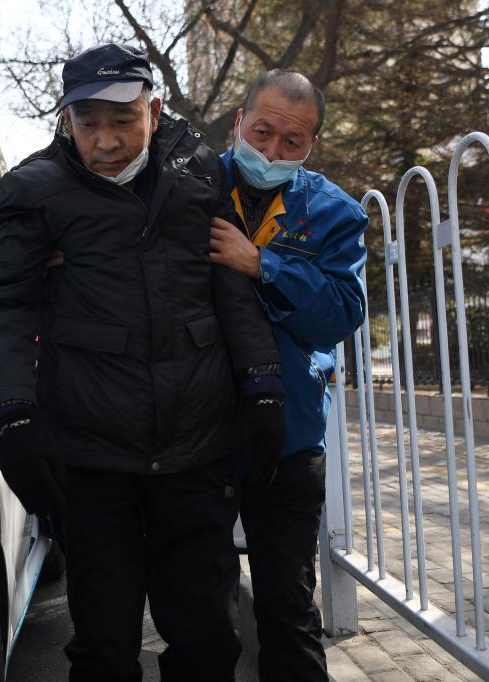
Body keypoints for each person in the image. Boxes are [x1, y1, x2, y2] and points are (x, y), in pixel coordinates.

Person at [0, 44, 285, 682]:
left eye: (122, 120)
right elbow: (3, 307)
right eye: (87, 123)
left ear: (154, 111)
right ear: (67, 120)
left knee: (207, 641)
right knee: (104, 646)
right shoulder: (36, 189)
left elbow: (229, 287)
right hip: (92, 457)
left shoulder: (200, 172)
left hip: (196, 446)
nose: (105, 141)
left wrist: (263, 384)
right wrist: (14, 416)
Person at [209, 69, 368, 682]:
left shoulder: (335, 213)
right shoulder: (190, 187)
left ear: (312, 145)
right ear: (239, 122)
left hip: (290, 434)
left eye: (292, 141)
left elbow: (340, 315)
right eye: (262, 132)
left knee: (287, 607)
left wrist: (263, 264)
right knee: (200, 608)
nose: (272, 151)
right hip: (196, 431)